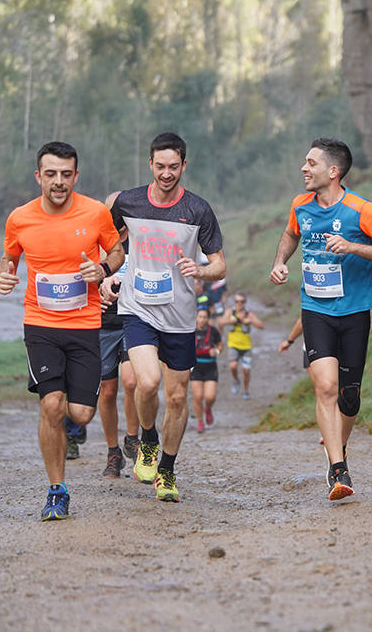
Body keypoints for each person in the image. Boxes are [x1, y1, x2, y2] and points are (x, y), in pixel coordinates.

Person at [269, 137, 372, 501]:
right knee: (325, 387)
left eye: (310, 163)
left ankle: (336, 446)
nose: (303, 168)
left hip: (355, 311)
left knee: (349, 397)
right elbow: (289, 234)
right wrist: (280, 261)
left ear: (333, 171)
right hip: (316, 309)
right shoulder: (301, 205)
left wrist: (353, 246)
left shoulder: (362, 210)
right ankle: (337, 467)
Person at [0, 141, 124, 521]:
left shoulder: (96, 212)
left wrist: (103, 270)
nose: (58, 182)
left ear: (76, 176)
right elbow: (9, 256)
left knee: (81, 414)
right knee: (51, 405)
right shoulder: (20, 218)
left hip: (85, 324)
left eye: (66, 174)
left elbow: (116, 251)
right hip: (40, 324)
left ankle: (66, 413)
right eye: (50, 174)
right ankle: (57, 490)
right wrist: (5, 275)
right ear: (38, 176)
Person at [105, 132, 226, 503]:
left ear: (184, 165)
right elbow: (107, 241)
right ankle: (148, 439)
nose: (167, 173)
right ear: (150, 165)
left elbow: (220, 265)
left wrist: (200, 270)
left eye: (174, 167)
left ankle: (167, 471)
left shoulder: (199, 210)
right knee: (146, 382)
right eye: (160, 166)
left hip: (179, 316)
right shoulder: (127, 202)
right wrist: (108, 272)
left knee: (176, 398)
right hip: (137, 308)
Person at [95, 190, 141, 478]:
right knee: (108, 390)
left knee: (132, 380)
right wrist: (95, 291)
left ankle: (133, 440)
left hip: (132, 318)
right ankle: (113, 451)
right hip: (102, 324)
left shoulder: (139, 240)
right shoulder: (96, 243)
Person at [217, 292, 265, 400]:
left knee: (246, 371)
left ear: (245, 302)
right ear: (234, 302)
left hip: (246, 347)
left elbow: (261, 326)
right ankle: (236, 381)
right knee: (233, 366)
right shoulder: (230, 312)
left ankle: (246, 390)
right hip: (233, 345)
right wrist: (231, 321)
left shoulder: (249, 314)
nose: (239, 304)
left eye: (242, 301)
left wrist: (250, 321)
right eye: (237, 301)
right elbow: (220, 323)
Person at [191, 304, 222, 433]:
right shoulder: (190, 331)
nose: (202, 319)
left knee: (210, 397)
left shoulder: (214, 331)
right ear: (196, 317)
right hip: (196, 367)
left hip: (210, 366)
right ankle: (200, 422)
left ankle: (208, 409)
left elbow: (220, 346)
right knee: (198, 397)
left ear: (208, 318)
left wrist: (216, 351)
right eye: (200, 317)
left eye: (205, 317)